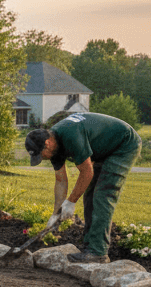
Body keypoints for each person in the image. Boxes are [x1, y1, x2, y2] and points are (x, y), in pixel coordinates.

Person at [25, 111, 141, 264]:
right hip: (104, 147)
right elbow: (61, 180)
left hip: (124, 144)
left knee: (103, 195)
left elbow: (87, 172)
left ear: (47, 143)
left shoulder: (71, 136)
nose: (43, 158)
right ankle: (89, 247)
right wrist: (56, 213)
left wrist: (71, 202)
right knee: (90, 195)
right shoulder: (54, 147)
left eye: (41, 155)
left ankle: (98, 252)